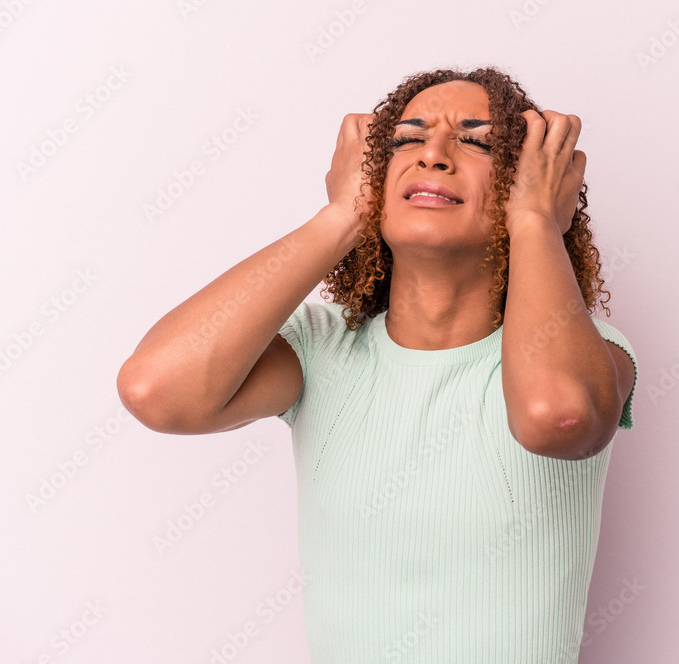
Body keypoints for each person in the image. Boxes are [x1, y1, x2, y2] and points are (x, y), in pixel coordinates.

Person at [117, 66, 638, 663]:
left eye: (477, 141)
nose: (434, 155)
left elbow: (557, 415)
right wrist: (341, 218)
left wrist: (534, 221)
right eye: (404, 141)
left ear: (530, 181)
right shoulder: (320, 349)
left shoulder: (590, 350)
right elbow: (154, 389)